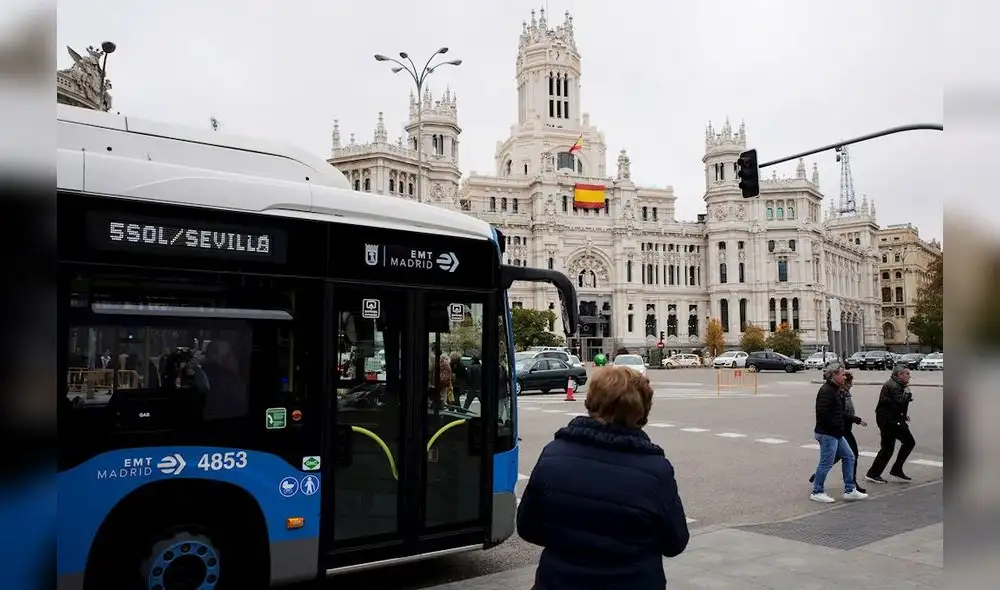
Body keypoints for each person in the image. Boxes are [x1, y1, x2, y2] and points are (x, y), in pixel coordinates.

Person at [516, 366, 689, 590]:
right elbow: (675, 542)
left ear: (591, 401)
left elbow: (528, 527)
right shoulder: (656, 471)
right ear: (642, 411)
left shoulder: (553, 455)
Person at [810, 362, 869, 503]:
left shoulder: (835, 389)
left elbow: (840, 412)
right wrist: (835, 427)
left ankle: (850, 490)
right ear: (834, 375)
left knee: (849, 457)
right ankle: (817, 491)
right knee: (826, 463)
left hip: (836, 433)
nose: (844, 377)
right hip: (828, 434)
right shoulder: (826, 390)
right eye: (842, 374)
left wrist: (854, 420)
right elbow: (822, 414)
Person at [866, 364, 915, 484]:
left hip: (892, 419)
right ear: (900, 375)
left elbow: (894, 404)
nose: (909, 376)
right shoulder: (894, 386)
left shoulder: (896, 384)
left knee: (891, 447)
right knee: (903, 444)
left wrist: (903, 415)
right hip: (889, 421)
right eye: (907, 373)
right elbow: (899, 402)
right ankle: (876, 473)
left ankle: (885, 471)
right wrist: (908, 394)